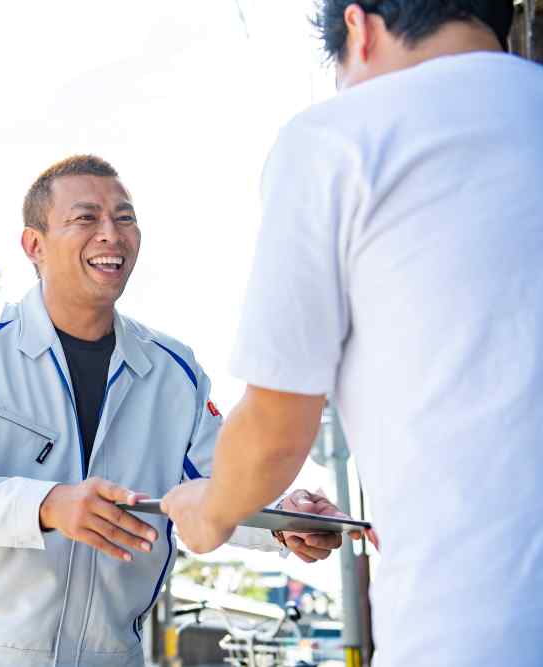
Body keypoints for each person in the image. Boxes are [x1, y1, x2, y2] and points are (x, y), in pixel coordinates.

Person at [162, 2, 543, 665]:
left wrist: (211, 509)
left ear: (360, 31)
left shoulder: (336, 137)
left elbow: (278, 423)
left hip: (474, 628)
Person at [0, 155, 346, 667]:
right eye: (85, 218)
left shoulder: (173, 371)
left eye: (124, 217)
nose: (111, 234)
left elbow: (223, 483)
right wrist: (50, 504)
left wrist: (284, 520)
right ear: (35, 245)